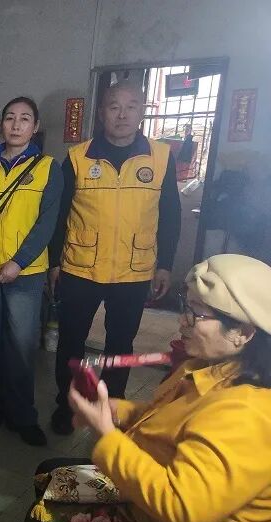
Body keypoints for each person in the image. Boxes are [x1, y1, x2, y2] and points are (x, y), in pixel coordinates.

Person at [26, 254, 271, 522]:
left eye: (197, 314)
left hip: (164, 518)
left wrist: (106, 434)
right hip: (148, 495)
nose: (182, 322)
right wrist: (121, 411)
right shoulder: (204, 366)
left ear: (243, 332)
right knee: (49, 471)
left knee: (42, 512)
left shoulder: (248, 415)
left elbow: (182, 509)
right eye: (185, 307)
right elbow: (173, 418)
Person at [48, 81, 182, 435]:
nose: (122, 114)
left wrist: (165, 264)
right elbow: (60, 214)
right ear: (101, 112)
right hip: (80, 267)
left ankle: (113, 411)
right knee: (71, 343)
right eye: (114, 106)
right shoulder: (78, 157)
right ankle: (68, 407)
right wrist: (54, 262)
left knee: (120, 346)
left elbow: (170, 215)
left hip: (133, 271)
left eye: (131, 106)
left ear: (141, 112)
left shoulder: (161, 157)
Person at [0, 97, 63, 446]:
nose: (16, 124)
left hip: (26, 273)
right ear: (1, 124)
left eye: (25, 119)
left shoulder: (48, 167)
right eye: (10, 117)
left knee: (22, 345)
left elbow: (47, 223)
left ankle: (23, 415)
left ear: (35, 127)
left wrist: (19, 262)